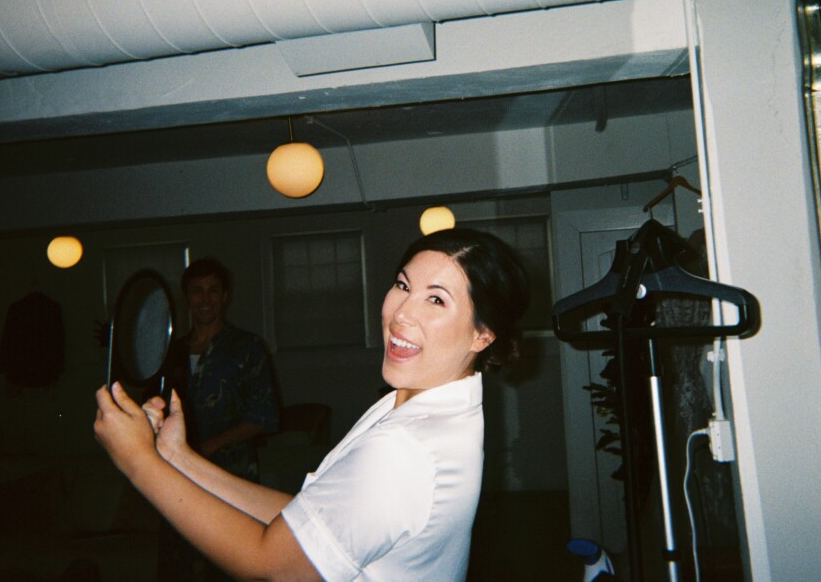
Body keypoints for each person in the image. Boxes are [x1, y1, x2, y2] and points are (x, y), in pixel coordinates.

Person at [95, 228, 530, 581]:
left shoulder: (405, 449)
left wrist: (137, 461)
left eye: (436, 299)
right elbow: (309, 521)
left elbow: (269, 564)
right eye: (403, 285)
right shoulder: (424, 404)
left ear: (482, 335)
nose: (401, 314)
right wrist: (177, 456)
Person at [155, 257, 281, 581]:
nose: (205, 299)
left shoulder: (247, 348)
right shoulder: (170, 353)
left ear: (225, 296)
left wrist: (210, 446)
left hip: (232, 479)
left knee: (228, 568)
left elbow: (264, 416)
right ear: (186, 297)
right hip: (178, 480)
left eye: (213, 290)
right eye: (197, 291)